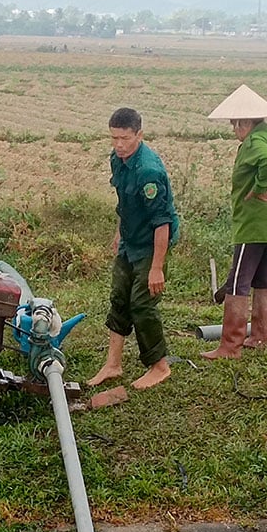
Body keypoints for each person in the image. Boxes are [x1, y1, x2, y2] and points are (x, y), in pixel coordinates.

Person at [202, 84, 267, 359]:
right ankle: (259, 337)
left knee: (237, 282)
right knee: (261, 278)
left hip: (254, 221)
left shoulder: (255, 143)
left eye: (235, 125)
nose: (234, 130)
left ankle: (229, 346)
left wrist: (259, 188)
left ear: (245, 122)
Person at [88, 107, 180, 390]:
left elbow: (162, 223)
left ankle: (159, 366)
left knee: (142, 303)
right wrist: (119, 233)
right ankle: (113, 364)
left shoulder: (149, 171)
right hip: (130, 239)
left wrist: (155, 268)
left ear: (139, 135)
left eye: (125, 138)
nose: (118, 144)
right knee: (119, 297)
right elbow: (125, 202)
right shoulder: (117, 159)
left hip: (152, 243)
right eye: (114, 138)